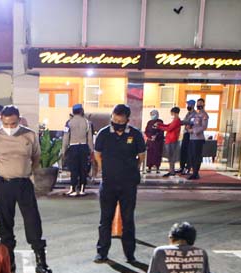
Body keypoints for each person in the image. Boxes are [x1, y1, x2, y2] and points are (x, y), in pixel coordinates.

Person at [0, 105, 52, 273]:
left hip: (23, 184)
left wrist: (26, 171)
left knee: (33, 221)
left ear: (19, 120)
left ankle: (41, 262)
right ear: (1, 120)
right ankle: (9, 263)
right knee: (5, 224)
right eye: (6, 124)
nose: (10, 127)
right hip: (4, 184)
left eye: (13, 124)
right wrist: (0, 174)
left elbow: (36, 157)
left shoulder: (29, 135)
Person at [93, 104, 147, 264]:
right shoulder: (103, 134)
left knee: (128, 219)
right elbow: (97, 154)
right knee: (105, 219)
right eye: (114, 120)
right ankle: (102, 253)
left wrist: (133, 169)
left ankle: (130, 255)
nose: (117, 124)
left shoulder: (135, 135)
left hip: (128, 184)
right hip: (108, 184)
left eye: (120, 122)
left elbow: (141, 156)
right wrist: (104, 169)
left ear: (127, 120)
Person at [61, 103, 94, 196]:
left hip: (73, 147)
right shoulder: (87, 122)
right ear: (81, 111)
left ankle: (73, 189)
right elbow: (90, 138)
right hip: (84, 147)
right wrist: (91, 150)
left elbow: (65, 138)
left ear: (73, 112)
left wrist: (63, 150)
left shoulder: (69, 122)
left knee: (74, 168)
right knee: (83, 169)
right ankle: (82, 189)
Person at [187, 98, 209, 180]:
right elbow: (191, 123)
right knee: (192, 156)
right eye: (198, 103)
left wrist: (193, 131)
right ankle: (193, 171)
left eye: (200, 103)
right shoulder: (196, 114)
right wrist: (188, 127)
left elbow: (204, 127)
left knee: (197, 156)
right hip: (192, 138)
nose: (199, 105)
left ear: (203, 105)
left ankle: (196, 173)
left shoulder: (204, 115)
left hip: (198, 139)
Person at [159, 107, 182, 177]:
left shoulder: (177, 120)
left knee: (171, 156)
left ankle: (172, 171)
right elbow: (168, 125)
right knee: (170, 156)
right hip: (170, 139)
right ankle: (171, 170)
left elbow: (169, 128)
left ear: (174, 113)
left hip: (172, 140)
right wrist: (160, 124)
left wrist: (159, 127)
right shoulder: (175, 120)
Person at [144, 109, 164, 174]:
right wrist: (150, 136)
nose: (152, 116)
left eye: (153, 114)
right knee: (149, 154)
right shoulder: (149, 122)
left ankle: (157, 168)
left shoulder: (160, 122)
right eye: (151, 114)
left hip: (157, 142)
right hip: (150, 141)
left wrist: (156, 136)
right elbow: (146, 131)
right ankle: (149, 167)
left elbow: (161, 131)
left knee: (157, 154)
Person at [179, 99, 196, 175]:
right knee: (183, 150)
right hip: (186, 133)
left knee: (189, 151)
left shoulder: (195, 114)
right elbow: (185, 121)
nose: (188, 106)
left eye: (189, 105)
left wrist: (184, 122)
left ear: (193, 105)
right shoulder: (188, 114)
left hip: (191, 134)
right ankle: (182, 167)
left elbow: (192, 122)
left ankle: (188, 167)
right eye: (188, 105)